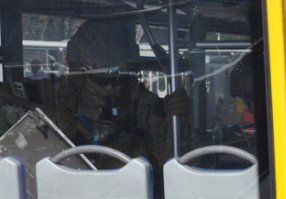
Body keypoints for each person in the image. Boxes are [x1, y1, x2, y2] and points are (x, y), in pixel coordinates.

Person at [39, 19, 190, 172]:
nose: (111, 86)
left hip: (128, 186)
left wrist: (178, 123)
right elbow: (34, 156)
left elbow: (175, 162)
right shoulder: (58, 99)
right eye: (102, 76)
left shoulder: (139, 102)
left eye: (119, 76)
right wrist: (58, 132)